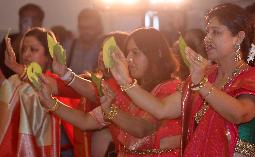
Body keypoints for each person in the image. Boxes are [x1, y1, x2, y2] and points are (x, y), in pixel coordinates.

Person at [109, 4, 255, 156]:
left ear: (238, 37)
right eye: (207, 32)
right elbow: (161, 109)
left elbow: (239, 114)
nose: (207, 39)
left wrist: (202, 84)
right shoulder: (206, 76)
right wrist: (125, 82)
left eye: (216, 32)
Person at [38, 28, 182, 156]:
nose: (129, 58)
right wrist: (51, 103)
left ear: (157, 53)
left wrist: (111, 109)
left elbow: (142, 129)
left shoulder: (171, 89)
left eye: (136, 52)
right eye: (127, 53)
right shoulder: (128, 90)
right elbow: (86, 121)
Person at [0, 27, 81, 156]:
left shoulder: (55, 83)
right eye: (23, 49)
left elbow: (39, 81)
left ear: (48, 56)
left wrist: (17, 67)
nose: (26, 55)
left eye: (33, 49)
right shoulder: (13, 81)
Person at [0, 3, 45, 78]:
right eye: (24, 18)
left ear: (40, 22)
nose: (27, 22)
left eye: (33, 18)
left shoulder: (45, 41)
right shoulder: (9, 40)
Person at [67, 8, 104, 74]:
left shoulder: (103, 49)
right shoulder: (69, 46)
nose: (86, 31)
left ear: (98, 27)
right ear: (78, 27)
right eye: (82, 27)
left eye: (90, 27)